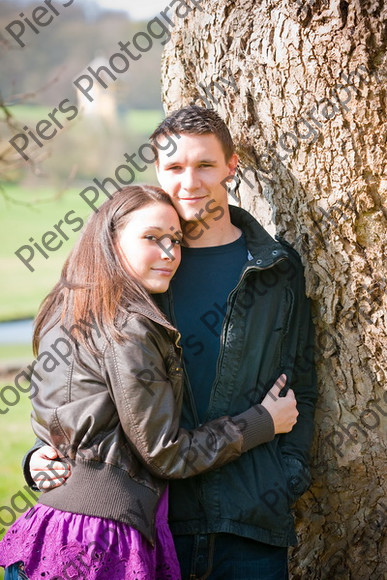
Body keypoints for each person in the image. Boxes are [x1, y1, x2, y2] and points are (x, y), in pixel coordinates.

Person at [23, 106, 317, 579]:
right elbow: (75, 381)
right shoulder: (131, 273)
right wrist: (42, 455)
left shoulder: (275, 267)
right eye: (175, 167)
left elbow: (301, 379)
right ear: (158, 169)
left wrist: (288, 475)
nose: (190, 181)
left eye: (204, 165)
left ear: (231, 166)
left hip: (249, 517)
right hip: (150, 520)